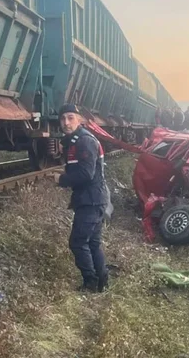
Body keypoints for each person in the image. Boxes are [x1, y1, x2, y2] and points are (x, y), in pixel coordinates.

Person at [52, 104, 110, 292]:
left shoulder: (84, 141)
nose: (66, 122)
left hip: (91, 200)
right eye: (63, 119)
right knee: (92, 242)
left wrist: (62, 179)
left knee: (78, 242)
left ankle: (90, 282)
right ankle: (102, 281)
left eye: (70, 118)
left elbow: (86, 174)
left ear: (80, 120)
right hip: (93, 198)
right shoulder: (75, 140)